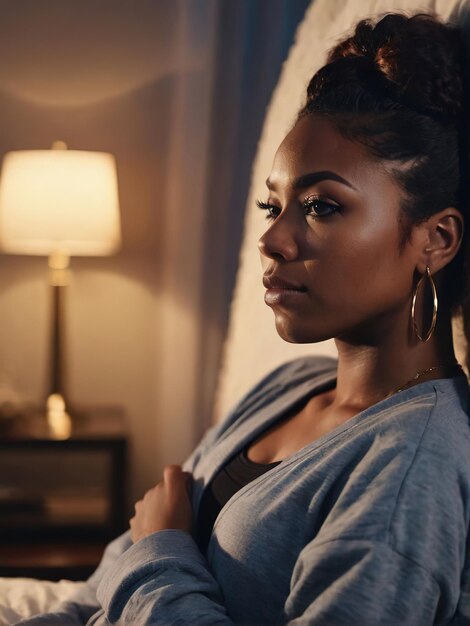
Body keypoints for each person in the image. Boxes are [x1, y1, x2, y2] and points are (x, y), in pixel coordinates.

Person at [17, 10, 470, 626]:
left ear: (436, 239)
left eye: (321, 206)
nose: (272, 239)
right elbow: (98, 590)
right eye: (272, 204)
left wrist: (160, 552)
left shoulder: (412, 465)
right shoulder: (287, 388)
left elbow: (145, 553)